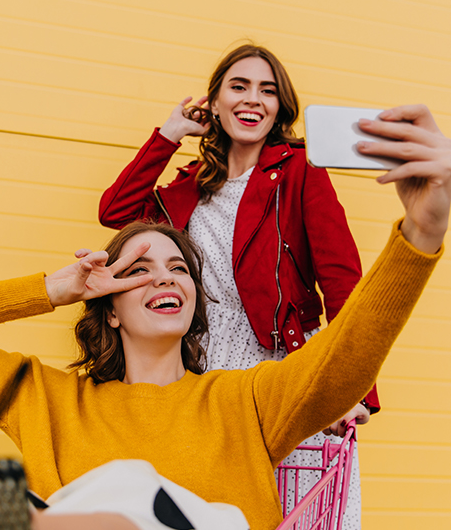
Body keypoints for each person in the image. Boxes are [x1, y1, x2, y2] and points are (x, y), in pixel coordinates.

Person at [0, 104, 451, 530]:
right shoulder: (46, 400)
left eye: (179, 268)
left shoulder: (244, 403)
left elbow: (348, 354)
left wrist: (421, 232)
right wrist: (55, 289)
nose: (165, 277)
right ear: (111, 311)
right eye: (138, 270)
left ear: (193, 301)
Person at [98, 44, 377, 525]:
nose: (253, 100)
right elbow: (116, 212)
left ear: (279, 108)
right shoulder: (188, 188)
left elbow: (342, 280)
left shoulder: (300, 171)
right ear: (215, 102)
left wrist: (352, 388)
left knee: (296, 508)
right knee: (209, 510)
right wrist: (169, 135)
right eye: (239, 87)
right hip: (200, 368)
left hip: (279, 365)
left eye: (267, 91)